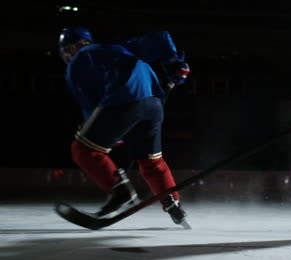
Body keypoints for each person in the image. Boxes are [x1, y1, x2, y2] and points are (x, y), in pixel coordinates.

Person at [58, 26, 191, 228]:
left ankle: (121, 191)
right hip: (154, 104)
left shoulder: (77, 63)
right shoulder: (118, 47)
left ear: (72, 47)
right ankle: (173, 204)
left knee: (82, 149)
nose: (68, 56)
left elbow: (91, 106)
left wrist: (108, 134)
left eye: (67, 51)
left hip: (125, 100)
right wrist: (174, 65)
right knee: (151, 162)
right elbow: (161, 37)